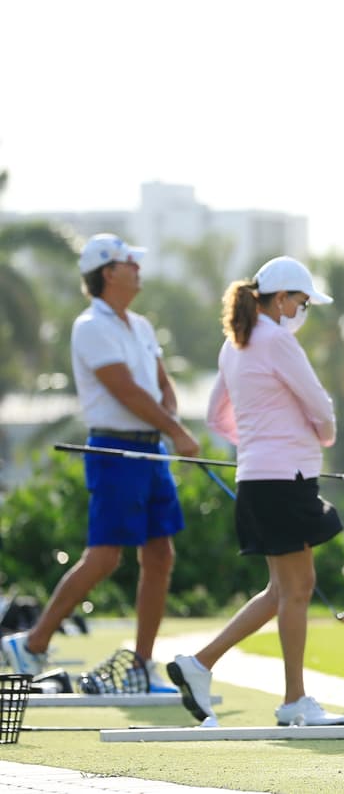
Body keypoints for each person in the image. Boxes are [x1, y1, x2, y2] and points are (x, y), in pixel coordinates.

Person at [1, 234, 199, 692]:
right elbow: (125, 390)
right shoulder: (90, 326)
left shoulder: (142, 326)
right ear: (109, 272)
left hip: (151, 451)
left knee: (160, 555)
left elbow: (160, 383)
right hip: (113, 450)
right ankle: (33, 642)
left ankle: (140, 667)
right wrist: (177, 430)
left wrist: (169, 421)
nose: (138, 269)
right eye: (132, 262)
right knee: (106, 557)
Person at [166, 256, 344, 727]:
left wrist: (261, 440)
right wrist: (317, 438)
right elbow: (319, 404)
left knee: (281, 590)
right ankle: (293, 701)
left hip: (260, 478)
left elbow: (216, 418)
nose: (303, 311)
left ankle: (200, 663)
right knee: (298, 589)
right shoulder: (276, 341)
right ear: (283, 298)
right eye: (302, 302)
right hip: (285, 479)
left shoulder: (237, 344)